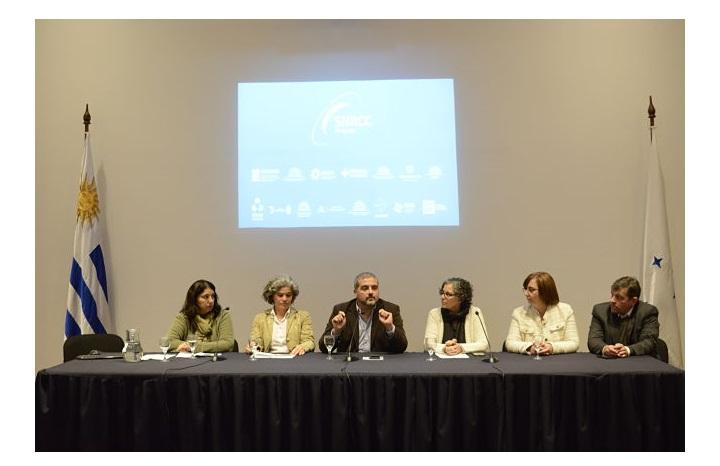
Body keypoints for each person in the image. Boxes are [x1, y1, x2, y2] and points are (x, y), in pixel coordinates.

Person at [318, 272, 407, 354]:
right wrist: (336, 331)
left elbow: (402, 347)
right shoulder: (342, 310)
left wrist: (390, 327)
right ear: (355, 292)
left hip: (380, 364)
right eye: (365, 288)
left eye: (374, 288)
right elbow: (323, 348)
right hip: (351, 364)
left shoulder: (390, 309)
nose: (371, 292)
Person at [505, 271, 579, 355]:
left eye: (531, 290)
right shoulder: (518, 313)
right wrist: (530, 347)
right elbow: (510, 343)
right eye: (525, 289)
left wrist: (552, 347)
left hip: (558, 363)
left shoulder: (565, 310)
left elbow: (574, 343)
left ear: (545, 291)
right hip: (529, 362)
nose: (526, 294)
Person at [587, 276, 659, 358]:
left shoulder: (648, 312)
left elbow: (649, 341)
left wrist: (628, 350)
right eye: (612, 295)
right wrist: (605, 348)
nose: (612, 300)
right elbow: (593, 340)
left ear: (633, 301)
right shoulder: (600, 311)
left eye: (619, 297)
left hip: (639, 362)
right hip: (609, 362)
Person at [245, 275, 315, 355]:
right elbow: (256, 341)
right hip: (268, 361)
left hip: (294, 360)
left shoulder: (303, 316)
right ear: (272, 297)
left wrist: (303, 346)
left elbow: (309, 342)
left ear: (293, 297)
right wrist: (253, 346)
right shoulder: (260, 318)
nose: (284, 299)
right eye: (280, 295)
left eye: (288, 295)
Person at [423, 277, 489, 355]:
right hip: (440, 362)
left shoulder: (475, 313)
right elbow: (428, 344)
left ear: (461, 298)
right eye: (442, 293)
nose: (442, 297)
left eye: (448, 294)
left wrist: (461, 348)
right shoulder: (434, 314)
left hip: (469, 363)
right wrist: (444, 348)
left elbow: (484, 344)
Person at [167, 279, 234, 353]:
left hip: (217, 362)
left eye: (213, 296)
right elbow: (170, 341)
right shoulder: (184, 317)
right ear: (194, 299)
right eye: (205, 297)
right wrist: (185, 346)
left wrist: (194, 347)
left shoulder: (223, 316)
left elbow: (228, 344)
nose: (211, 301)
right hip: (190, 362)